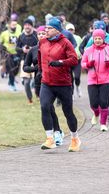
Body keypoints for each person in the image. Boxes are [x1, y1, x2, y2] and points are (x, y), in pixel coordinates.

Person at [38, 17, 81, 152]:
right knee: (45, 106)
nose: (46, 30)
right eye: (46, 27)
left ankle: (75, 138)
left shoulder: (65, 42)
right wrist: (40, 71)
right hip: (47, 83)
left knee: (67, 112)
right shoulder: (42, 42)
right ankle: (50, 138)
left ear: (57, 30)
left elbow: (74, 59)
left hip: (63, 84)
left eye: (49, 28)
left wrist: (60, 62)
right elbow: (40, 58)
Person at [23, 26, 64, 146]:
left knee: (49, 107)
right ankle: (55, 133)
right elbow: (25, 67)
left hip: (53, 81)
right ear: (37, 36)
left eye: (43, 33)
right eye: (39, 34)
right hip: (39, 81)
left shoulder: (55, 47)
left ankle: (56, 132)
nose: (41, 35)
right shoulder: (33, 50)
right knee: (46, 107)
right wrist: (35, 68)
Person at [82, 29, 109, 131]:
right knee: (93, 103)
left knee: (103, 102)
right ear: (93, 39)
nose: (97, 40)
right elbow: (83, 63)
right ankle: (96, 114)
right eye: (95, 38)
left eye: (99, 38)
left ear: (103, 39)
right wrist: (88, 65)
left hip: (105, 80)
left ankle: (103, 124)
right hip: (92, 80)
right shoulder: (88, 50)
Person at [16, 18, 38, 104]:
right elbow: (16, 48)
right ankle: (30, 99)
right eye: (25, 25)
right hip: (25, 61)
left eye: (29, 25)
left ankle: (39, 95)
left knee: (38, 80)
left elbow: (42, 45)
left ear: (32, 26)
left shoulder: (36, 35)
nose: (27, 27)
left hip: (36, 61)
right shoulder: (21, 36)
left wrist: (33, 49)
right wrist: (23, 49)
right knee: (26, 82)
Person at [0, 20, 21, 91]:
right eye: (13, 25)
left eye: (15, 25)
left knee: (16, 70)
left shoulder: (19, 33)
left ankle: (11, 80)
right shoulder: (4, 34)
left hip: (17, 54)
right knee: (11, 69)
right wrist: (3, 50)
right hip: (8, 54)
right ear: (9, 25)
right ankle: (12, 85)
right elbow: (0, 43)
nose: (14, 26)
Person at [66, 23, 83, 98]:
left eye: (71, 30)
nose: (70, 31)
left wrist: (81, 54)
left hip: (77, 60)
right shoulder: (64, 38)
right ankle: (71, 94)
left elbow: (81, 46)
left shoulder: (78, 38)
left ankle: (78, 86)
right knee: (70, 79)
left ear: (74, 31)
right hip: (69, 61)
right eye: (69, 30)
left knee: (77, 77)